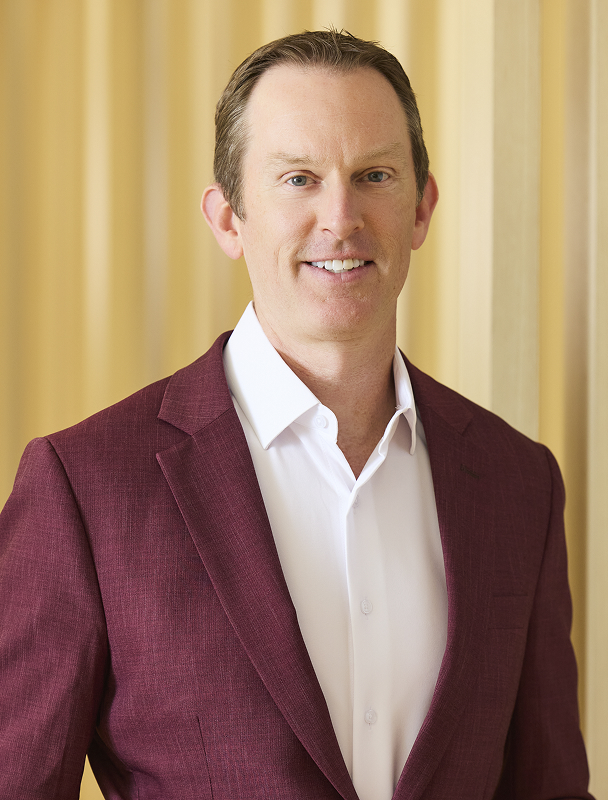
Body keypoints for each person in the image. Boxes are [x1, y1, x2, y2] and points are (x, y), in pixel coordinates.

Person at [0, 29, 593, 800]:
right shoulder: (86, 487)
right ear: (227, 219)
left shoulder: (520, 484)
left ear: (421, 208)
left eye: (374, 175)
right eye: (298, 179)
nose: (340, 217)